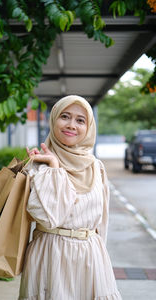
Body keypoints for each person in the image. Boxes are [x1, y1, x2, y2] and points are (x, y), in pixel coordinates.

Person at [18, 95, 122, 300]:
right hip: (50, 256)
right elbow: (49, 217)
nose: (72, 125)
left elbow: (102, 222)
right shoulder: (38, 165)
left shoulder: (96, 167)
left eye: (80, 120)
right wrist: (54, 168)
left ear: (88, 127)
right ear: (53, 119)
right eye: (65, 116)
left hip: (90, 259)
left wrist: (100, 260)